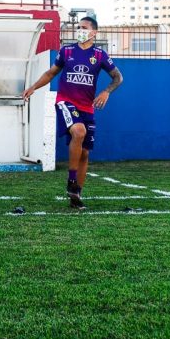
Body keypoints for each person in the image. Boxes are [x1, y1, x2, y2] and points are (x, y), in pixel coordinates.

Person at [22, 16, 123, 210]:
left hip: (87, 107)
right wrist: (34, 86)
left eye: (84, 28)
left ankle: (76, 195)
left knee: (85, 153)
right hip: (66, 102)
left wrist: (106, 91)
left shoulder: (100, 55)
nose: (79, 30)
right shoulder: (66, 51)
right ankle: (71, 181)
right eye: (78, 27)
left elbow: (118, 77)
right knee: (78, 131)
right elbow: (51, 73)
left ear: (94, 33)